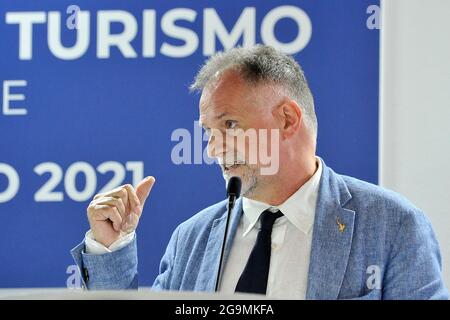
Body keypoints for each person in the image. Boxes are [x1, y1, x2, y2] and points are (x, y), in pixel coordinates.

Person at [71, 45, 448, 299]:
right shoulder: (192, 238)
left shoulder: (394, 226)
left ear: (287, 119)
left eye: (230, 125)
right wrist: (111, 248)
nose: (213, 148)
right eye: (208, 133)